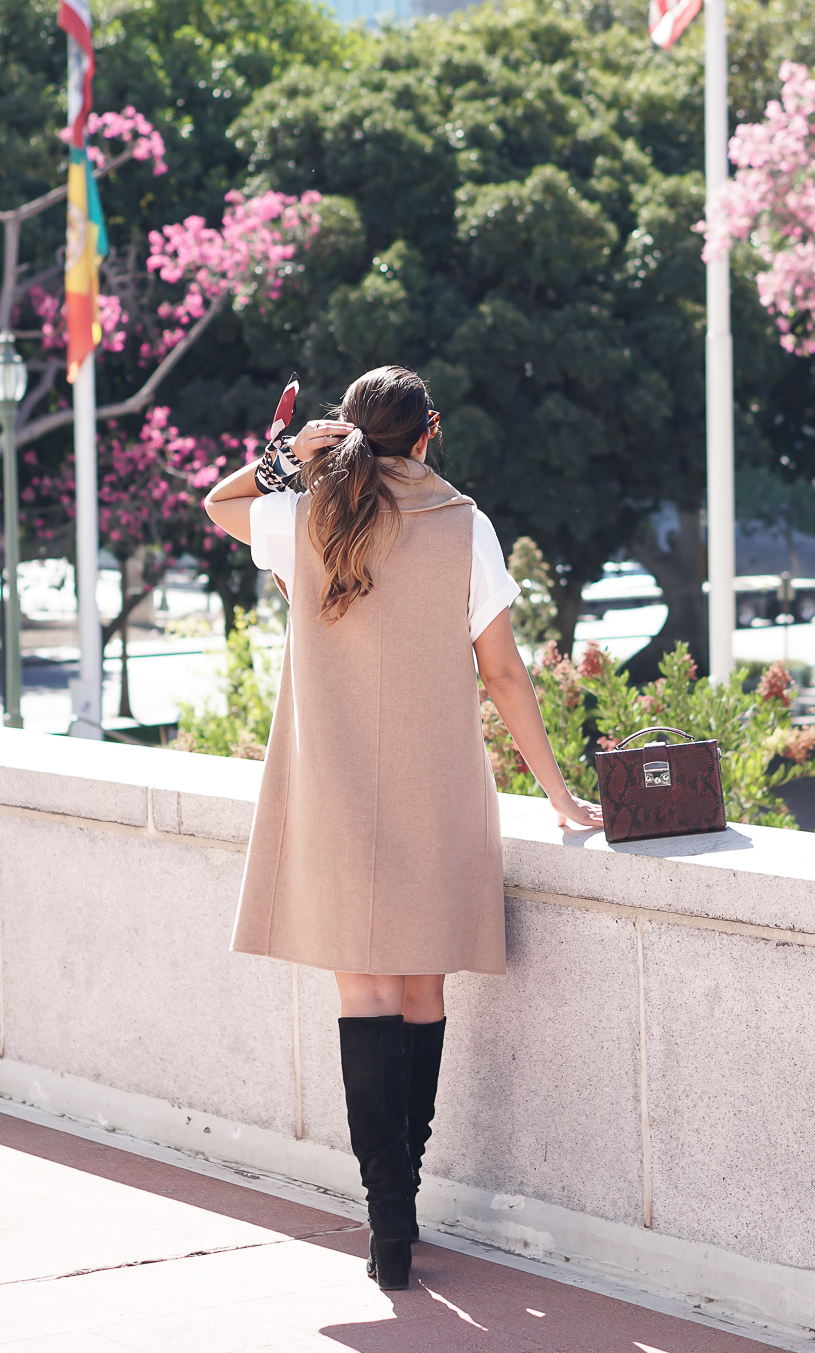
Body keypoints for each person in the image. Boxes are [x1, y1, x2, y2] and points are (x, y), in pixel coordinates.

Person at [203, 365, 602, 1291]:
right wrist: (557, 794)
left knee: (363, 993)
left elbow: (218, 504)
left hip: (333, 789)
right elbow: (503, 675)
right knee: (421, 991)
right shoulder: (464, 525)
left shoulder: (310, 514)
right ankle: (405, 1200)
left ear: (346, 434)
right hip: (437, 790)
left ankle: (385, 1221)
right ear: (431, 432)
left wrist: (282, 458)